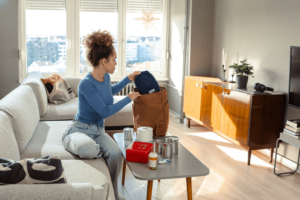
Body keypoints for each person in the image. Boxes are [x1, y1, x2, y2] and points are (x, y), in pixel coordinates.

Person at [62, 30, 141, 200]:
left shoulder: (104, 78)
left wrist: (128, 78)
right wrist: (129, 98)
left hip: (98, 131)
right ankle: (71, 141)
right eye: (114, 60)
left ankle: (113, 192)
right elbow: (104, 111)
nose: (116, 63)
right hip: (80, 130)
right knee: (88, 148)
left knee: (116, 154)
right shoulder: (86, 84)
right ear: (104, 61)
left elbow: (109, 92)